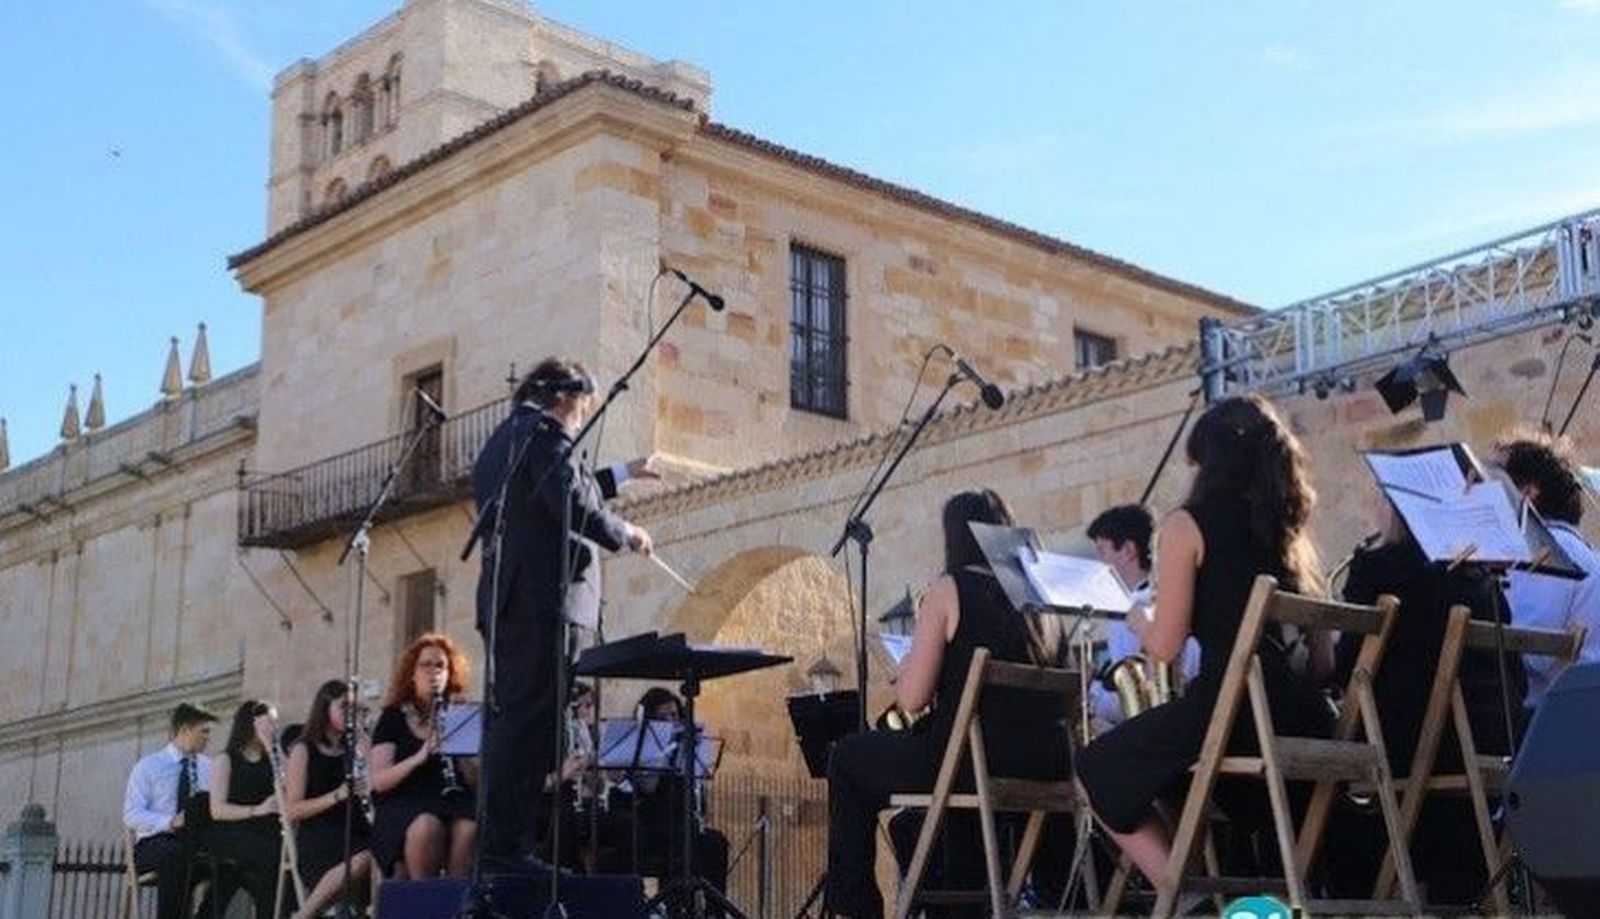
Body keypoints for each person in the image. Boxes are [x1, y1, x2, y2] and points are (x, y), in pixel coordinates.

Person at [1075, 394, 1333, 887]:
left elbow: (1167, 646)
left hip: (1230, 712)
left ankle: (1183, 895)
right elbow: (1322, 665)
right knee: (1163, 769)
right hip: (1304, 718)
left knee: (1095, 767)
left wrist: (1139, 622)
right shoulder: (1289, 534)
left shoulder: (1186, 525)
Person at [824, 489, 1070, 919]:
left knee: (846, 759)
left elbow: (913, 699)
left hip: (970, 761)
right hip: (1045, 763)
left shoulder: (951, 589)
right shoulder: (1040, 600)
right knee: (952, 791)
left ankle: (857, 909)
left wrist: (908, 672)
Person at [471, 356, 655, 872]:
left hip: (509, 602)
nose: (581, 419)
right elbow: (570, 500)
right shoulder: (546, 434)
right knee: (529, 727)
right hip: (542, 603)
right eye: (583, 409)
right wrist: (626, 533)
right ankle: (509, 851)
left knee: (518, 723)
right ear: (566, 398)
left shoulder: (505, 441)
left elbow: (557, 486)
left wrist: (623, 473)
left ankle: (504, 848)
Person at [1317, 491, 1526, 903]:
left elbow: (1345, 668)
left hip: (1412, 754)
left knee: (1319, 788)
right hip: (1486, 761)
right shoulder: (1482, 583)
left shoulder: (1381, 570)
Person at [1494, 428, 1600, 712]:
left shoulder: (1551, 550)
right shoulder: (1569, 546)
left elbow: (1532, 653)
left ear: (1528, 493)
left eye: (1497, 480)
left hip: (1558, 718)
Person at [598, 688, 730, 895]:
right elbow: (648, 788)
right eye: (663, 717)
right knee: (678, 843)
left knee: (716, 842)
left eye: (674, 715)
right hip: (649, 825)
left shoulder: (684, 746)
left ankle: (714, 910)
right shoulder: (641, 745)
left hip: (678, 822)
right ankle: (673, 906)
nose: (670, 721)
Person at [370, 633, 477, 879]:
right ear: (412, 673)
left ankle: (454, 903)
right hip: (404, 801)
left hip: (452, 801)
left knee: (470, 827)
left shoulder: (460, 716)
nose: (433, 672)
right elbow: (379, 781)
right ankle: (424, 900)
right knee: (426, 826)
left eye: (440, 666)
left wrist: (459, 753)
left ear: (450, 674)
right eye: (425, 665)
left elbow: (474, 782)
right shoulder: (393, 717)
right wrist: (419, 757)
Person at [1086, 504, 1201, 729]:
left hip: (1168, 726)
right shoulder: (1166, 594)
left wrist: (1089, 691)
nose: (1100, 564)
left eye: (1103, 552)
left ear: (1129, 550)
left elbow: (1133, 708)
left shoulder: (1130, 610)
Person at [284, 679, 375, 919]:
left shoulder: (356, 747)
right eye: (344, 706)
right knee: (367, 857)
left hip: (356, 829)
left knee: (388, 854)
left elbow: (375, 783)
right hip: (320, 836)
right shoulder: (303, 749)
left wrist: (365, 745)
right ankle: (305, 913)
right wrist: (336, 796)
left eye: (355, 708)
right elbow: (292, 810)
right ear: (325, 708)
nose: (351, 714)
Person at [123, 702, 219, 919]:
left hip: (195, 841)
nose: (207, 738)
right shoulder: (148, 766)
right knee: (175, 855)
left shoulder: (210, 767)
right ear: (184, 730)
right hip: (155, 842)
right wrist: (169, 822)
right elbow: (131, 814)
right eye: (203, 731)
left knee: (229, 862)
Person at [205, 701, 286, 917]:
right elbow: (217, 810)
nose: (273, 728)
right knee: (269, 856)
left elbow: (287, 789)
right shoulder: (226, 759)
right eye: (268, 723)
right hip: (233, 830)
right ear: (251, 724)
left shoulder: (273, 759)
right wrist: (256, 810)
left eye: (274, 724)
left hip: (267, 832)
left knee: (275, 870)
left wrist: (273, 748)